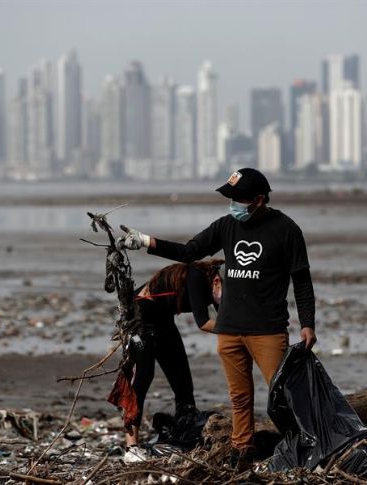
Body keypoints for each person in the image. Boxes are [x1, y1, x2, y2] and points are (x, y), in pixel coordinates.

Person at [117, 168, 317, 467]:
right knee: (239, 398)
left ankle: (306, 445)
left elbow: (301, 279)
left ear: (259, 200)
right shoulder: (226, 226)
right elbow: (189, 251)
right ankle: (241, 450)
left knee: (284, 395)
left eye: (239, 199)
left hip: (267, 329)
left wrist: (307, 323)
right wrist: (146, 241)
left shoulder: (286, 230)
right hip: (230, 330)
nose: (233, 204)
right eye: (231, 198)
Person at [122, 258, 224, 462]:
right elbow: (204, 323)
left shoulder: (218, 288)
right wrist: (241, 329)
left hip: (164, 321)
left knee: (183, 384)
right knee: (142, 378)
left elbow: (226, 319)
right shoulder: (196, 278)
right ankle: (131, 448)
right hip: (139, 318)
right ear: (216, 281)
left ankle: (184, 435)